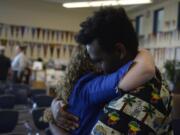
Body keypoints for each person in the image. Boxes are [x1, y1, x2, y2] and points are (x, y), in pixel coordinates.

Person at [49, 7, 172, 135]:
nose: (97, 68)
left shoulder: (88, 86)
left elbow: (143, 69)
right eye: (93, 62)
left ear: (120, 51)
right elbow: (143, 68)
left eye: (99, 61)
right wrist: (144, 54)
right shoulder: (90, 86)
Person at [44, 45, 155, 135]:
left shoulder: (78, 85)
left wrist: (54, 106)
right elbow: (146, 69)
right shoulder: (92, 85)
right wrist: (141, 50)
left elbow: (54, 113)